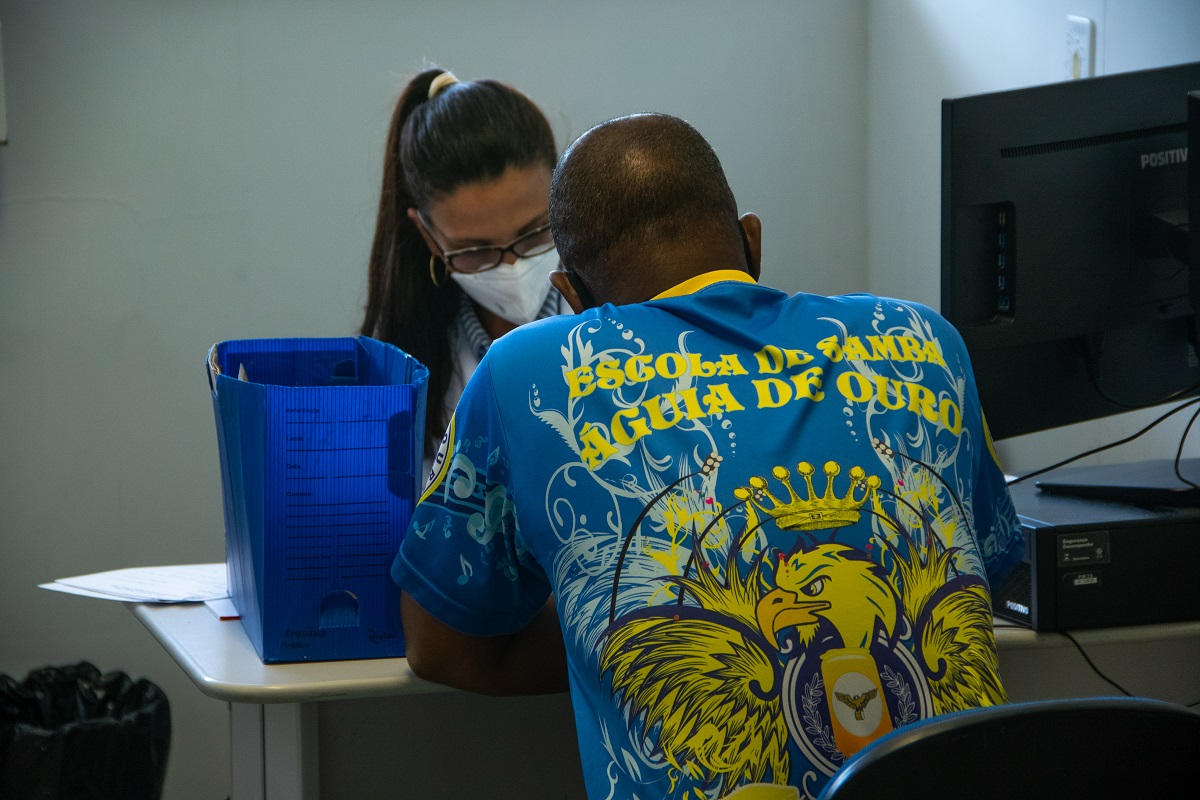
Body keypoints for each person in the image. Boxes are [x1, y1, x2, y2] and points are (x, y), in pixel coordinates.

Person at [391, 112, 1024, 800]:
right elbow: (982, 576)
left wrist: (605, 623)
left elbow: (439, 647)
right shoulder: (926, 342)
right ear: (751, 241)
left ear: (570, 295)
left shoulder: (528, 371)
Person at [360, 67, 570, 463]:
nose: (510, 267)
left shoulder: (624, 317)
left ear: (561, 192)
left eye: (534, 233)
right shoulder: (399, 372)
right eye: (476, 251)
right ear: (429, 237)